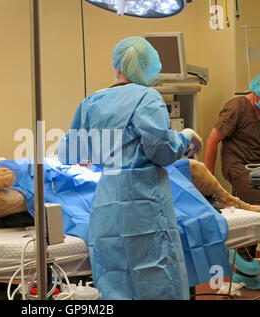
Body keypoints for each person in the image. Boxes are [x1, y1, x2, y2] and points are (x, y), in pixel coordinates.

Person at [57, 37, 202, 300]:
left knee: (113, 279)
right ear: (148, 68)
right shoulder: (148, 98)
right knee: (156, 276)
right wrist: (186, 138)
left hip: (106, 205)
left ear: (117, 65)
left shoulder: (92, 102)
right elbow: (161, 150)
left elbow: (71, 153)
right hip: (144, 204)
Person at [205, 72, 260, 290]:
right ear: (256, 93)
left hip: (259, 167)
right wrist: (209, 178)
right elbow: (213, 140)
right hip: (238, 167)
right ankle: (241, 256)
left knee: (258, 210)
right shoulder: (237, 107)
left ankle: (246, 263)